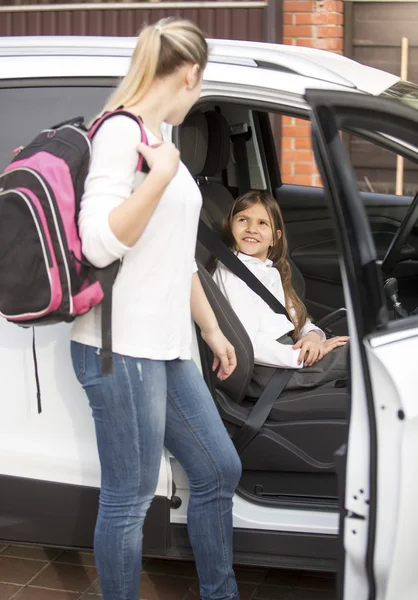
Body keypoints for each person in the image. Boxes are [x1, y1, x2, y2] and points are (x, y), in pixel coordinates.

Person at [70, 18, 242, 600]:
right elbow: (98, 241)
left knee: (220, 469)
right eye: (203, 82)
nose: (201, 93)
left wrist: (212, 329)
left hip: (166, 346)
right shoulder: (120, 134)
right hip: (120, 349)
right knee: (130, 497)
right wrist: (158, 178)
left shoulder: (159, 136)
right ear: (190, 73)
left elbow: (176, 254)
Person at [210, 191, 349, 392]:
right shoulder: (231, 274)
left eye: (262, 223)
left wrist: (313, 338)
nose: (251, 229)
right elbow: (246, 343)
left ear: (275, 238)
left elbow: (297, 320)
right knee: (367, 353)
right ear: (230, 227)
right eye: (243, 220)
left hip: (285, 357)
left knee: (365, 345)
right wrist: (299, 357)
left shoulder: (270, 271)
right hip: (268, 371)